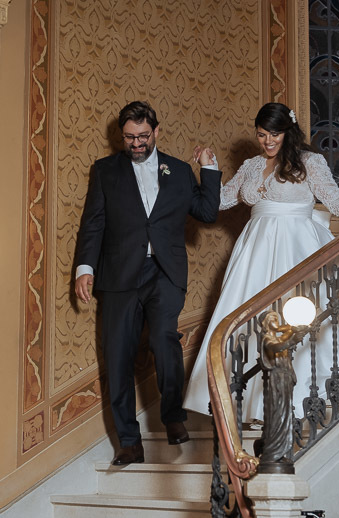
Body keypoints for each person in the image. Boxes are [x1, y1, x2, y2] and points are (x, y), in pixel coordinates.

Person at [183, 102, 339, 423]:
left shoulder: (309, 161)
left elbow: (330, 195)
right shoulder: (250, 166)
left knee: (297, 315)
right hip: (254, 251)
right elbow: (220, 200)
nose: (268, 141)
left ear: (288, 131)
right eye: (262, 135)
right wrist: (208, 166)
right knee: (249, 317)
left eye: (274, 133)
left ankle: (302, 393)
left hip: (295, 247)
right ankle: (250, 404)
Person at [74, 100, 222, 465]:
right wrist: (84, 268)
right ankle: (129, 441)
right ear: (121, 136)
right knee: (118, 356)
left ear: (156, 132)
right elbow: (93, 223)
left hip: (164, 272)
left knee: (163, 339)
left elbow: (206, 212)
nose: (136, 143)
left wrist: (210, 169)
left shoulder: (180, 171)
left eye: (143, 136)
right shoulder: (105, 171)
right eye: (129, 137)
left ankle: (172, 415)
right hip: (119, 275)